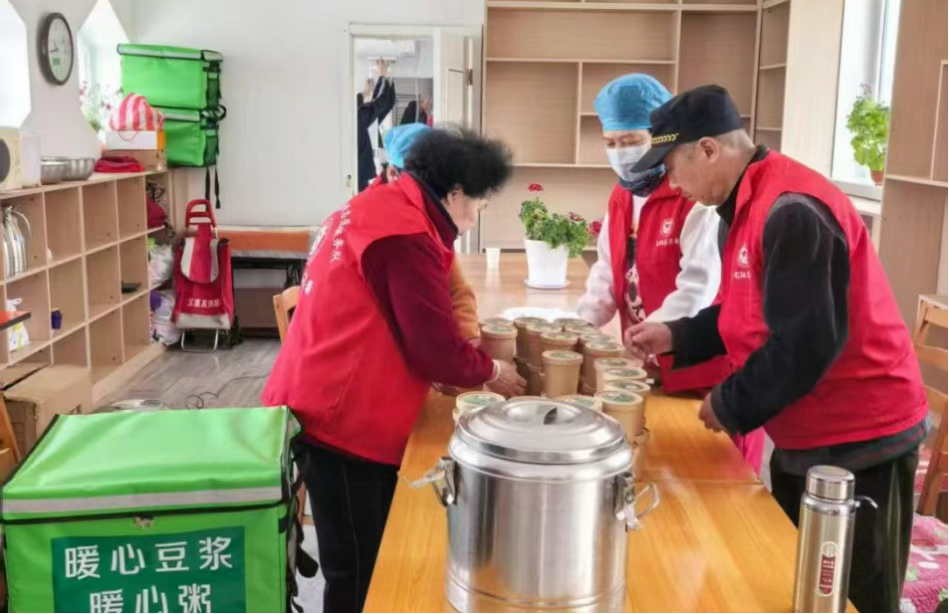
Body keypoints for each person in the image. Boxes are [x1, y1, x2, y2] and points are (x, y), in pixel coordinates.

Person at [626, 84, 928, 613]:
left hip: (862, 437)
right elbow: (749, 313)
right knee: (798, 582)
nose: (672, 184)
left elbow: (806, 342)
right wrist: (677, 334)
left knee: (852, 596)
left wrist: (729, 403)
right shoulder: (742, 206)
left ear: (708, 149)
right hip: (805, 432)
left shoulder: (791, 209)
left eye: (672, 168)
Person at [262, 127, 524, 613]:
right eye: (478, 205)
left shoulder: (385, 206)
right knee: (358, 568)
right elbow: (433, 348)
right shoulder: (402, 234)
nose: (475, 217)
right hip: (338, 419)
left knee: (366, 551)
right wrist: (491, 370)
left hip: (326, 392)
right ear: (455, 194)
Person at [576, 73, 765, 471]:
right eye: (611, 143)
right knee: (654, 470)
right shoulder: (623, 195)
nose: (621, 153)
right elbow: (608, 271)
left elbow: (698, 287)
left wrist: (652, 335)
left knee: (717, 483)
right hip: (651, 367)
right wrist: (581, 327)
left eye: (630, 140)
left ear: (660, 138)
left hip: (703, 374)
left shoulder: (695, 193)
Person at [379, 123, 480, 345]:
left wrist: (470, 336)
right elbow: (422, 331)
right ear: (393, 173)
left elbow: (458, 289)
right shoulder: (386, 229)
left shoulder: (429, 218)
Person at [357, 60, 396, 192]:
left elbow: (383, 104)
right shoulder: (358, 118)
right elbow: (381, 102)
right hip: (359, 175)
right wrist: (382, 75)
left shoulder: (352, 118)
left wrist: (365, 92)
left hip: (359, 174)